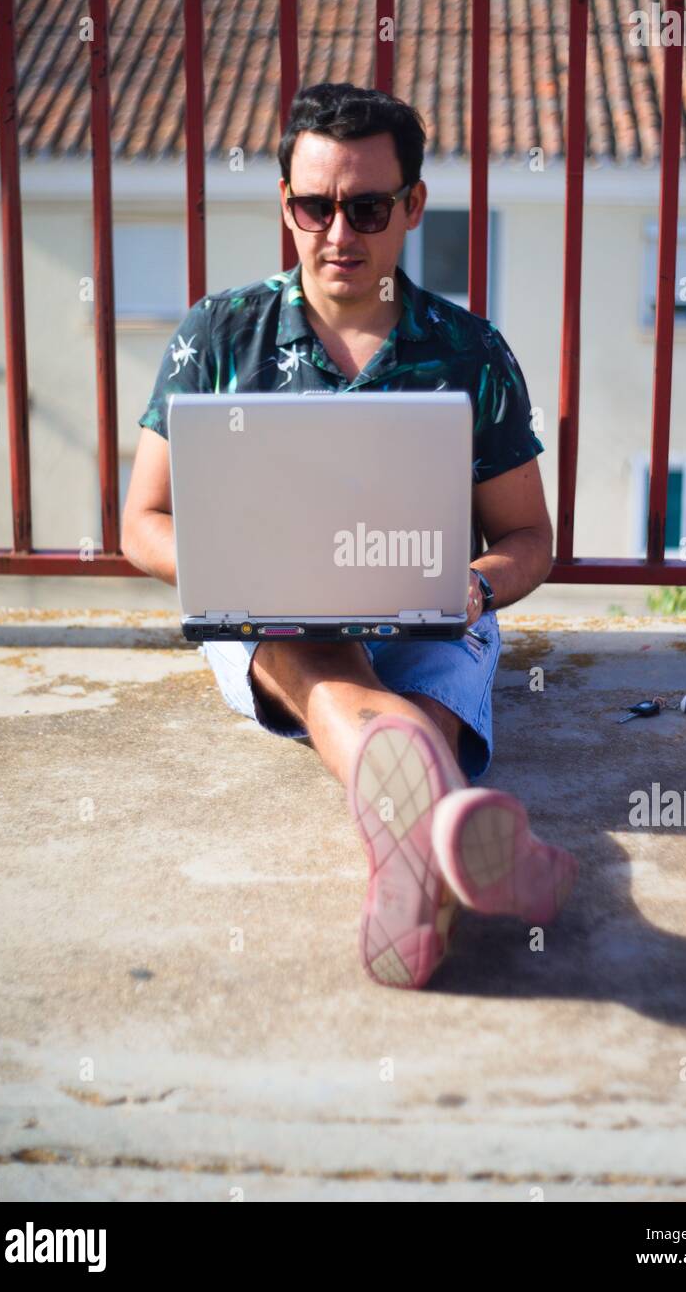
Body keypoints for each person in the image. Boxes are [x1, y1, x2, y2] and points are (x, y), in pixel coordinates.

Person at [123, 82, 578, 991]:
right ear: (285, 204)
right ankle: (477, 839)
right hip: (271, 615)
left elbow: (529, 536)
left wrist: (477, 585)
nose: (339, 234)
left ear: (412, 206)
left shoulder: (469, 351)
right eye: (313, 206)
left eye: (368, 207)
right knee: (307, 648)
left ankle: (418, 877)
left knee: (415, 724)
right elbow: (142, 523)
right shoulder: (220, 334)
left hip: (438, 610)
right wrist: (242, 570)